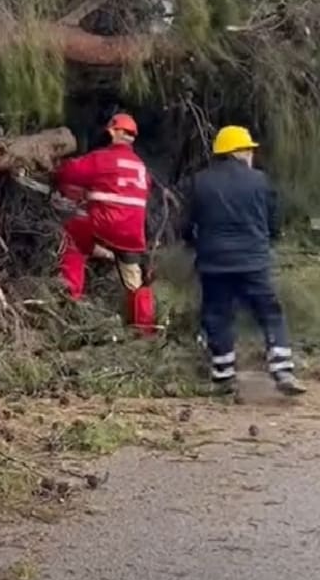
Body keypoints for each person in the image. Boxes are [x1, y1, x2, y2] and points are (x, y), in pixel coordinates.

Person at [181, 126, 304, 396]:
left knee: (217, 314)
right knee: (269, 311)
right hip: (253, 261)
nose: (251, 154)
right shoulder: (259, 181)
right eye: (248, 149)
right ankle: (282, 368)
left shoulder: (199, 181)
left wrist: (195, 245)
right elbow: (272, 223)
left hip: (213, 262)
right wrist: (264, 242)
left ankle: (223, 374)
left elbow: (187, 225)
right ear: (238, 152)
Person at [54, 113, 156, 331]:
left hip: (105, 225)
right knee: (134, 280)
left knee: (73, 238)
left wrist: (56, 168)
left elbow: (70, 173)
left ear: (114, 132)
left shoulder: (102, 158)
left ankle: (71, 297)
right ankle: (145, 329)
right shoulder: (140, 166)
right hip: (133, 233)